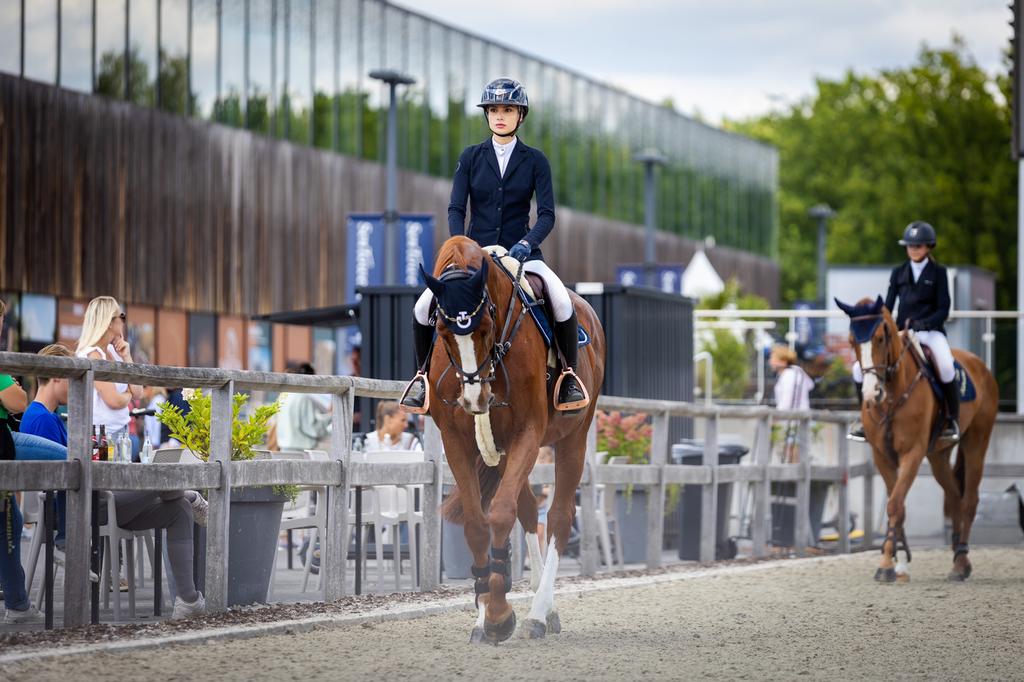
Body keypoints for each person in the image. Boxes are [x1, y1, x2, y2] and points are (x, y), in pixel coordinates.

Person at [400, 77, 587, 414]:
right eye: (494, 110)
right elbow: (456, 209)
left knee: (561, 301)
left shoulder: (535, 160)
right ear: (487, 114)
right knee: (421, 307)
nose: (500, 116)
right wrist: (461, 247)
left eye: (508, 110)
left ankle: (568, 376)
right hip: (476, 255)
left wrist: (527, 243)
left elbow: (547, 214)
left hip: (522, 255)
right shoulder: (471, 157)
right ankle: (421, 377)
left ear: (520, 115)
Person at [848, 221, 958, 442]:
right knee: (858, 369)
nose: (913, 249)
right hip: (902, 332)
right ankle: (865, 418)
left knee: (946, 366)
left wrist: (925, 323)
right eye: (910, 245)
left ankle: (950, 419)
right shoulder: (899, 272)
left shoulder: (938, 272)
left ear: (928, 247)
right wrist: (877, 322)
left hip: (930, 332)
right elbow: (888, 305)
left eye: (918, 245)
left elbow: (943, 308)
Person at [74, 296, 144, 448]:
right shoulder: (92, 355)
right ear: (109, 322)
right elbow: (114, 401)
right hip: (101, 436)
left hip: (121, 431)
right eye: (121, 317)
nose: (124, 321)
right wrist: (128, 393)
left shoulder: (114, 351)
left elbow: (138, 392)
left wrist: (127, 356)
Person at [769, 345, 814, 463]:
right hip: (797, 420)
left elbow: (786, 402)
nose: (770, 362)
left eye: (773, 358)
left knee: (792, 456)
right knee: (795, 455)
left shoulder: (788, 375)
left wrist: (775, 419)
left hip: (792, 422)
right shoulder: (795, 373)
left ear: (783, 361)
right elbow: (810, 385)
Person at [276, 363, 332, 452]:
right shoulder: (303, 397)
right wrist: (331, 415)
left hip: (284, 447)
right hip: (301, 450)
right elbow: (312, 428)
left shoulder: (284, 395)